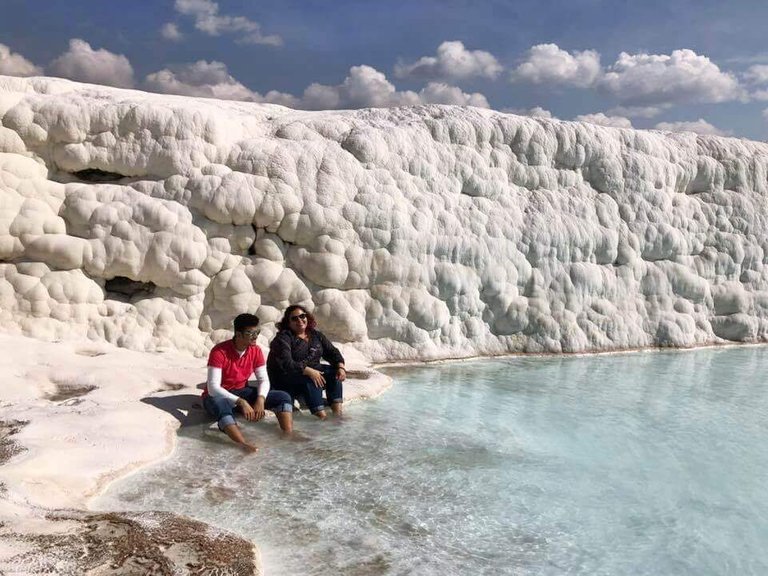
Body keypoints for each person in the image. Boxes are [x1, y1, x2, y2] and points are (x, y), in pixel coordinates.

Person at [203, 313, 294, 452]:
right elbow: (212, 388)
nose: (255, 336)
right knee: (220, 405)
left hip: (242, 391)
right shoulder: (219, 352)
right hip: (219, 395)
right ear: (238, 334)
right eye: (250, 333)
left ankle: (288, 434)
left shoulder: (255, 350)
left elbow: (264, 379)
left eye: (257, 332)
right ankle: (242, 444)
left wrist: (261, 399)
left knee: (283, 397)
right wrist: (242, 402)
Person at [267, 305, 346, 419]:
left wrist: (340, 367)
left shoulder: (315, 335)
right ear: (288, 323)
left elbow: (332, 352)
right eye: (294, 318)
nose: (299, 320)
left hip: (310, 370)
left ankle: (338, 415)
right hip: (285, 376)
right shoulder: (283, 338)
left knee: (334, 374)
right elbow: (286, 363)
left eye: (302, 316)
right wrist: (309, 371)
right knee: (311, 379)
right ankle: (322, 417)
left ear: (307, 317)